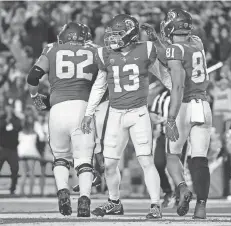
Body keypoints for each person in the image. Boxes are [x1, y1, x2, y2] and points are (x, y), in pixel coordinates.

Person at [81, 14, 172, 219]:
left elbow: (162, 73)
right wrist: (88, 113)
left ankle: (155, 204)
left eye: (118, 34)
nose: (113, 38)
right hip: (115, 113)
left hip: (139, 113)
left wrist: (178, 93)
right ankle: (114, 202)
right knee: (110, 163)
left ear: (131, 34)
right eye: (111, 34)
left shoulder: (146, 49)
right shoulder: (105, 54)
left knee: (145, 160)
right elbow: (99, 85)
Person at [142, 9, 212, 219]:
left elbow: (178, 87)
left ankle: (182, 187)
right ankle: (201, 207)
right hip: (204, 105)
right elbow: (176, 54)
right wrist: (159, 43)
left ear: (171, 27)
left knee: (173, 154)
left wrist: (171, 118)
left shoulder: (175, 50)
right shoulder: (197, 42)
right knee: (199, 159)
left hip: (184, 106)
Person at [26, 22, 101, 217]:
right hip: (84, 108)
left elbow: (33, 77)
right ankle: (84, 199)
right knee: (84, 159)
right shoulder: (95, 50)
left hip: (57, 109)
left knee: (60, 158)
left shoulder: (52, 49)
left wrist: (35, 97)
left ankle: (63, 191)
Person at [0, 96, 22, 195]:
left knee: (14, 170)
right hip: (2, 148)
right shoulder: (1, 118)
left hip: (13, 149)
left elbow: (18, 128)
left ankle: (12, 189)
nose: (9, 109)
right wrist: (6, 120)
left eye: (11, 107)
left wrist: (11, 120)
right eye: (7, 107)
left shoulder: (16, 119)